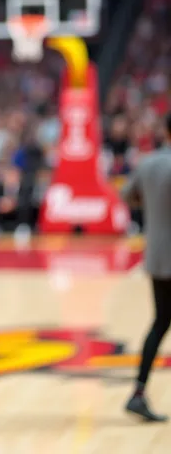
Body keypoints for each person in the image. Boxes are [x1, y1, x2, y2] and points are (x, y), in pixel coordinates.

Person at [121, 111, 171, 423]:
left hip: (157, 257)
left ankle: (138, 391)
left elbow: (127, 196)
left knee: (160, 323)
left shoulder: (149, 162)